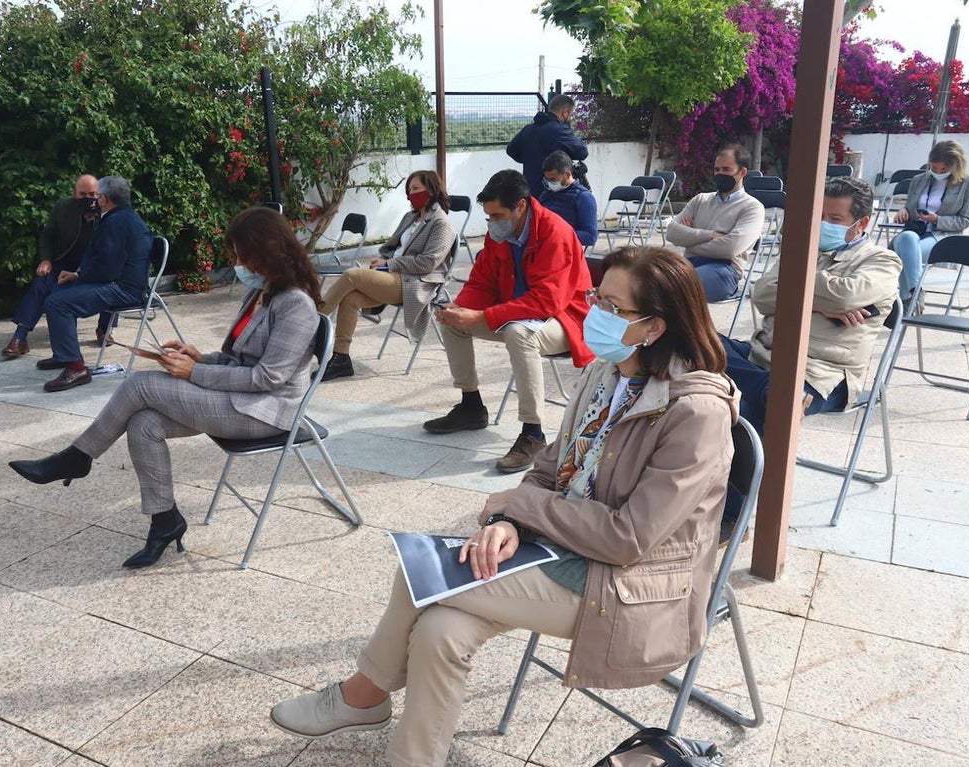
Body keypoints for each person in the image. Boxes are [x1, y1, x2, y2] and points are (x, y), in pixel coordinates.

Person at [269, 246, 739, 767]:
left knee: (422, 577)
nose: (594, 313)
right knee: (440, 631)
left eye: (612, 307)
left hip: (629, 583)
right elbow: (550, 467)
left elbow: (629, 538)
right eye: (595, 298)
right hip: (562, 546)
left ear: (655, 327)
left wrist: (524, 507)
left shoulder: (696, 412)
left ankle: (364, 693)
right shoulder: (607, 373)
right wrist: (511, 519)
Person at [8, 207, 322, 568]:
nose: (239, 264)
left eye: (242, 255)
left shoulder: (296, 304)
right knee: (144, 424)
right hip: (239, 398)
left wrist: (193, 373)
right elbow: (237, 359)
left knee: (141, 385)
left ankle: (77, 458)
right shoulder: (263, 293)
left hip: (267, 411)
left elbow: (267, 378)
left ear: (266, 252)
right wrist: (199, 358)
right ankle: (165, 520)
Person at [426, 169, 592, 474]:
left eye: (497, 214)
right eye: (488, 216)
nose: (492, 222)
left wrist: (483, 315)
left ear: (521, 206)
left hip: (565, 320)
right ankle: (471, 406)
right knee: (452, 321)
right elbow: (482, 282)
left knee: (519, 333)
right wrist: (461, 308)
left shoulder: (556, 232)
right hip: (516, 313)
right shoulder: (499, 235)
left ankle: (533, 433)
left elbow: (547, 301)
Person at [720, 175, 901, 435]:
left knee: (737, 407)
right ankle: (766, 388)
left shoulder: (882, 261)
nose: (824, 224)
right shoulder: (803, 248)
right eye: (821, 216)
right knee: (691, 341)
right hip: (763, 354)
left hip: (821, 372)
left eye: (835, 219)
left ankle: (752, 469)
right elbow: (761, 294)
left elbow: (845, 296)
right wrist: (819, 306)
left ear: (862, 224)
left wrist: (794, 283)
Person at [319, 171, 456, 381]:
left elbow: (427, 263)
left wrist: (389, 264)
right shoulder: (410, 218)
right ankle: (341, 358)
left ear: (432, 189)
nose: (411, 194)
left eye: (416, 188)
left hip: (415, 282)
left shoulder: (441, 224)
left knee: (351, 275)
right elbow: (393, 247)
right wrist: (383, 263)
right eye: (409, 190)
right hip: (393, 276)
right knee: (350, 298)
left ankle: (311, 323)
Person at [35, 176, 153, 392]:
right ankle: (65, 355)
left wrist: (81, 277)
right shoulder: (121, 217)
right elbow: (104, 262)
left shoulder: (116, 222)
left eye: (97, 196)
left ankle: (76, 367)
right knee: (57, 291)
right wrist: (77, 276)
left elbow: (108, 268)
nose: (94, 200)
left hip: (124, 290)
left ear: (103, 199)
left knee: (58, 303)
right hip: (122, 284)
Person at [1, 174, 117, 358]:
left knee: (110, 280)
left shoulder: (109, 213)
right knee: (41, 284)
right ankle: (20, 337)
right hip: (65, 260)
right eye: (82, 194)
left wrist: (81, 272)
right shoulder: (63, 207)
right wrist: (46, 259)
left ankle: (104, 329)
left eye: (93, 194)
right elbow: (48, 235)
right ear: (74, 193)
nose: (88, 199)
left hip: (95, 264)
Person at [665, 143, 765, 302]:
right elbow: (671, 232)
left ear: (742, 172)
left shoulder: (752, 207)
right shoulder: (700, 200)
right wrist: (709, 234)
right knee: (647, 280)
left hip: (725, 270)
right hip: (689, 264)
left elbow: (730, 248)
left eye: (726, 169)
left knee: (677, 287)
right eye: (717, 169)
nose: (720, 174)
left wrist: (689, 241)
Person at [891, 139, 969, 303]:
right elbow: (910, 208)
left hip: (943, 236)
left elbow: (965, 220)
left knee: (906, 252)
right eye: (934, 167)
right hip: (915, 231)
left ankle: (907, 300)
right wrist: (904, 210)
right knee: (906, 239)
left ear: (955, 166)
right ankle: (915, 293)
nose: (938, 172)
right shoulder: (919, 180)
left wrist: (937, 219)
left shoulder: (967, 183)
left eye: (944, 169)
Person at [506, 94, 588, 197]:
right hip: (553, 192)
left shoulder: (529, 129)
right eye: (571, 114)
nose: (570, 118)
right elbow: (582, 152)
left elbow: (511, 150)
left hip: (529, 191)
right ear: (565, 112)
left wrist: (531, 159)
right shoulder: (559, 130)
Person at [537, 150, 598, 247]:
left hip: (566, 249)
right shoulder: (546, 195)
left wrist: (557, 234)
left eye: (553, 179)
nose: (550, 183)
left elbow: (590, 236)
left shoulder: (583, 197)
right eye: (547, 179)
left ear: (568, 174)